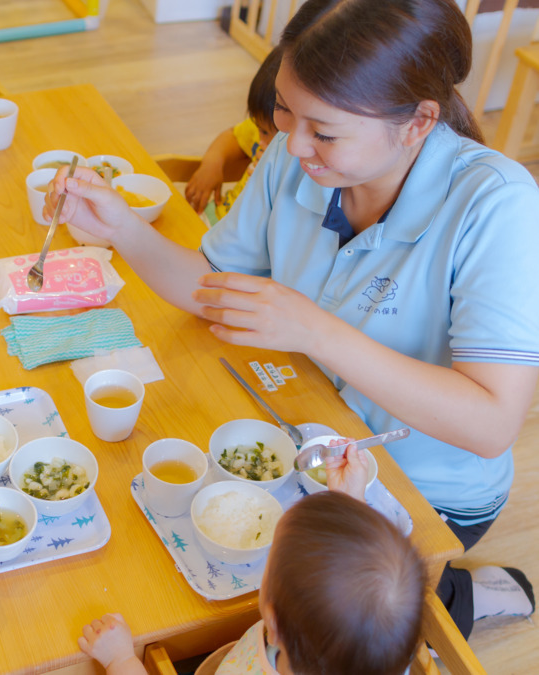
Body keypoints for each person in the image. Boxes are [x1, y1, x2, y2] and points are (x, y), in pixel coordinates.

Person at [50, 0, 538, 638]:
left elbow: (491, 424)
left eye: (324, 132)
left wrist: (313, 329)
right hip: (303, 428)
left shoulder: (497, 206)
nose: (294, 143)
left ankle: (455, 593)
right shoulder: (294, 155)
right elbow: (214, 287)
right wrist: (121, 229)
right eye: (284, 109)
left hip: (418, 487)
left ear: (418, 122)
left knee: (308, 618)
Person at [79, 448, 426, 675]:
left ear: (272, 625)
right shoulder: (382, 658)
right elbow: (360, 587)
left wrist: (120, 658)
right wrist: (349, 504)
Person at [185, 47, 282, 220]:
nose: (261, 139)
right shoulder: (265, 125)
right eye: (261, 129)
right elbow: (232, 136)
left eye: (267, 133)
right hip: (219, 216)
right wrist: (213, 162)